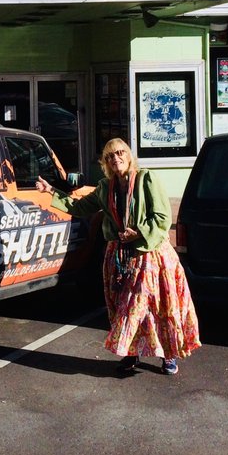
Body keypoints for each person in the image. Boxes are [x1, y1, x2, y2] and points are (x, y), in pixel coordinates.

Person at [36, 137, 200, 375]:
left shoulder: (146, 179)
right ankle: (131, 352)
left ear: (129, 155)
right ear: (105, 162)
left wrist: (138, 232)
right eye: (110, 156)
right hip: (120, 256)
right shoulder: (105, 187)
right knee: (123, 305)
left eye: (120, 153)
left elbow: (162, 218)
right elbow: (79, 207)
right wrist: (51, 190)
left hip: (149, 252)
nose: (116, 158)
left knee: (156, 306)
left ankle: (168, 355)